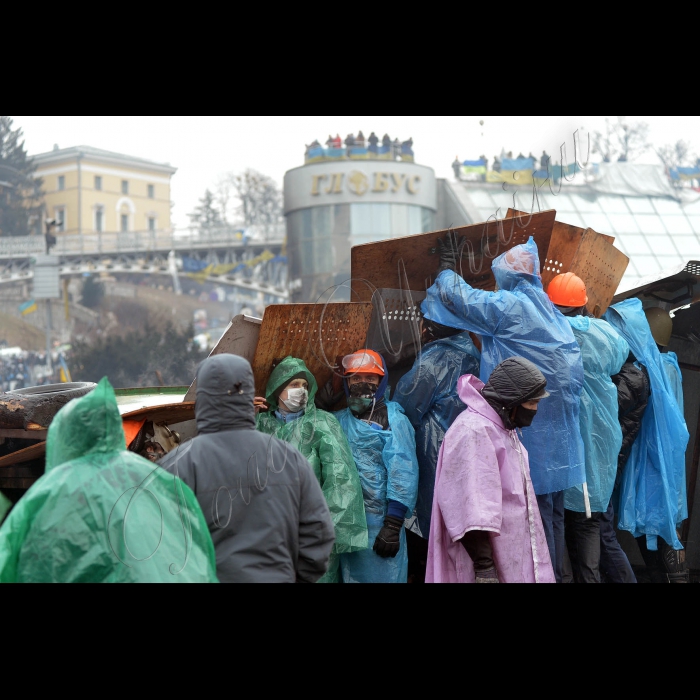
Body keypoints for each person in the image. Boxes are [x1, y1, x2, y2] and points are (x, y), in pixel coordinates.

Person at [421, 233, 585, 582]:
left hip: (528, 440)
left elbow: (459, 298)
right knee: (550, 527)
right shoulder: (550, 310)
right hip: (557, 449)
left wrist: (447, 267)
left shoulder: (511, 307)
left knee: (529, 529)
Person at [0, 378, 218, 583]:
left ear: (61, 441)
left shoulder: (47, 495)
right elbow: (201, 544)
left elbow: (9, 563)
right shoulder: (161, 479)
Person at [159, 355, 335, 583]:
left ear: (202, 397)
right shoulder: (290, 458)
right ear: (249, 394)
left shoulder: (176, 466)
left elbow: (156, 543)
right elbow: (318, 533)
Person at [426, 357, 555, 583]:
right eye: (532, 402)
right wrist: (484, 567)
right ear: (512, 400)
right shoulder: (474, 432)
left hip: (510, 556)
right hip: (484, 562)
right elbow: (470, 508)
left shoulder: (502, 426)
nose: (535, 409)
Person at [546, 273, 629, 583]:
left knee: (556, 520)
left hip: (562, 442)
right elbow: (621, 356)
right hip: (602, 438)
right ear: (583, 305)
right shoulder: (607, 333)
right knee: (589, 522)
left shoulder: (550, 332)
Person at [256, 356, 367, 582]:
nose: (302, 391)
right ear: (278, 388)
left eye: (305, 386)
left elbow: (341, 482)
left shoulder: (322, 424)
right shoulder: (259, 425)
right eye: (294, 385)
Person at [603, 300, 690, 582]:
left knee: (656, 522)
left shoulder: (652, 368)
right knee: (662, 520)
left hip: (649, 454)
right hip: (664, 455)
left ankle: (665, 575)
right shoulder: (671, 366)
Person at [393, 317, 480, 581]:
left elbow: (404, 409)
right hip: (466, 453)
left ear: (426, 327)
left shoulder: (431, 363)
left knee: (427, 528)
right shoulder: (474, 353)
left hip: (432, 455)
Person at [334, 349, 419, 583]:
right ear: (347, 382)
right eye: (356, 378)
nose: (363, 384)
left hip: (380, 524)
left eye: (370, 379)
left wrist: (392, 524)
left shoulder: (394, 420)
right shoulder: (337, 420)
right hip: (345, 524)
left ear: (381, 382)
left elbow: (403, 472)